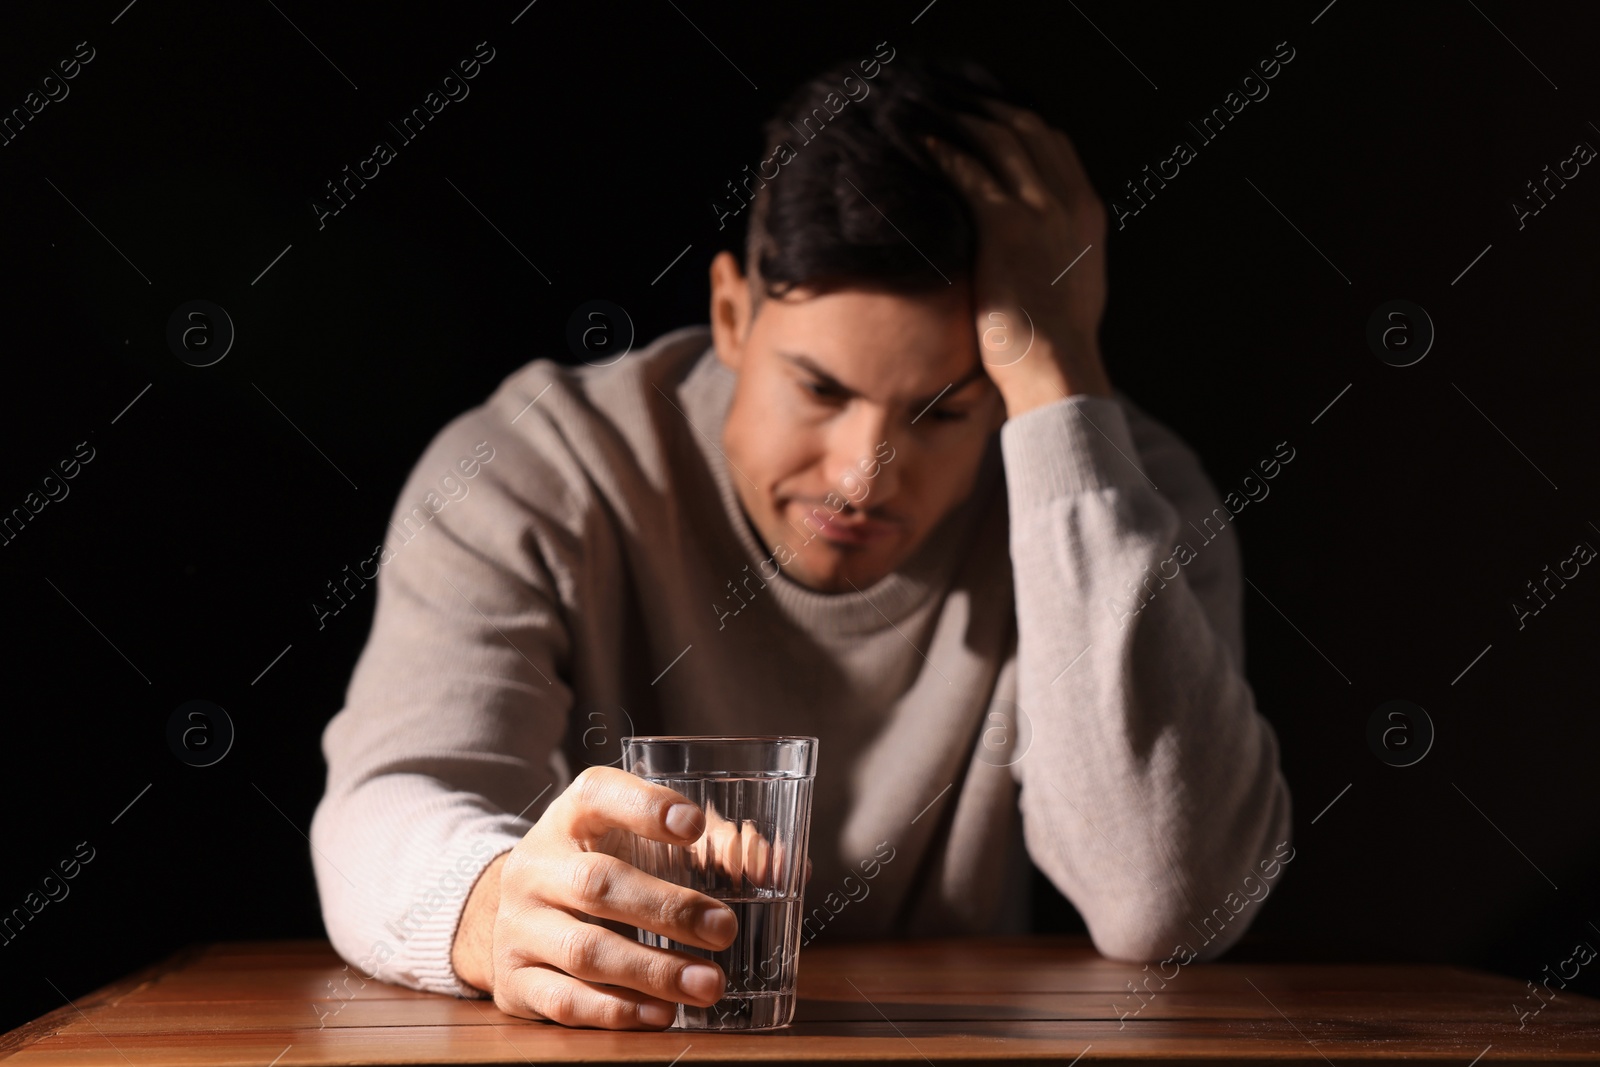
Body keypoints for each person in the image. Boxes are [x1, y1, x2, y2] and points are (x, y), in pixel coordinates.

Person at [308, 50, 1293, 1031]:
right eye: (821, 389)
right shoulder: (530, 466)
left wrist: (1059, 384)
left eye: (945, 410)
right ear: (731, 314)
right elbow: (390, 798)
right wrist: (487, 906)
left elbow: (1170, 898)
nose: (864, 474)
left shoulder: (1117, 487)